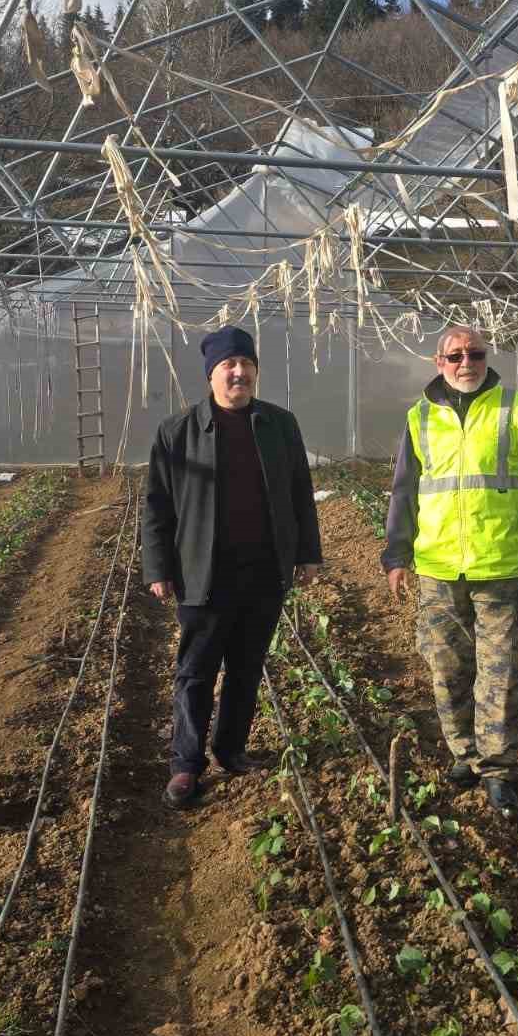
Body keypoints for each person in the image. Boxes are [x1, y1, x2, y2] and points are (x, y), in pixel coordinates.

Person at [382, 325, 518, 818]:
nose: (467, 362)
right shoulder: (420, 417)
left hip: (501, 565)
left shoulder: (517, 409)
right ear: (439, 362)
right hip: (439, 567)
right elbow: (404, 491)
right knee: (447, 669)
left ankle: (500, 768)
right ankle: (465, 754)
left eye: (475, 354)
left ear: (486, 358)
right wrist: (396, 556)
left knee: (501, 672)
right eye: (456, 355)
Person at [142, 325, 322, 808]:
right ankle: (186, 764)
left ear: (255, 372)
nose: (238, 373)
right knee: (196, 672)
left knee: (246, 667)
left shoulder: (279, 425)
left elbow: (301, 494)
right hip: (204, 574)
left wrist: (307, 553)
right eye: (228, 366)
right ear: (211, 376)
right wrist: (158, 568)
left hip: (264, 571)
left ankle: (230, 748)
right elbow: (157, 507)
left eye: (246, 365)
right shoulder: (177, 431)